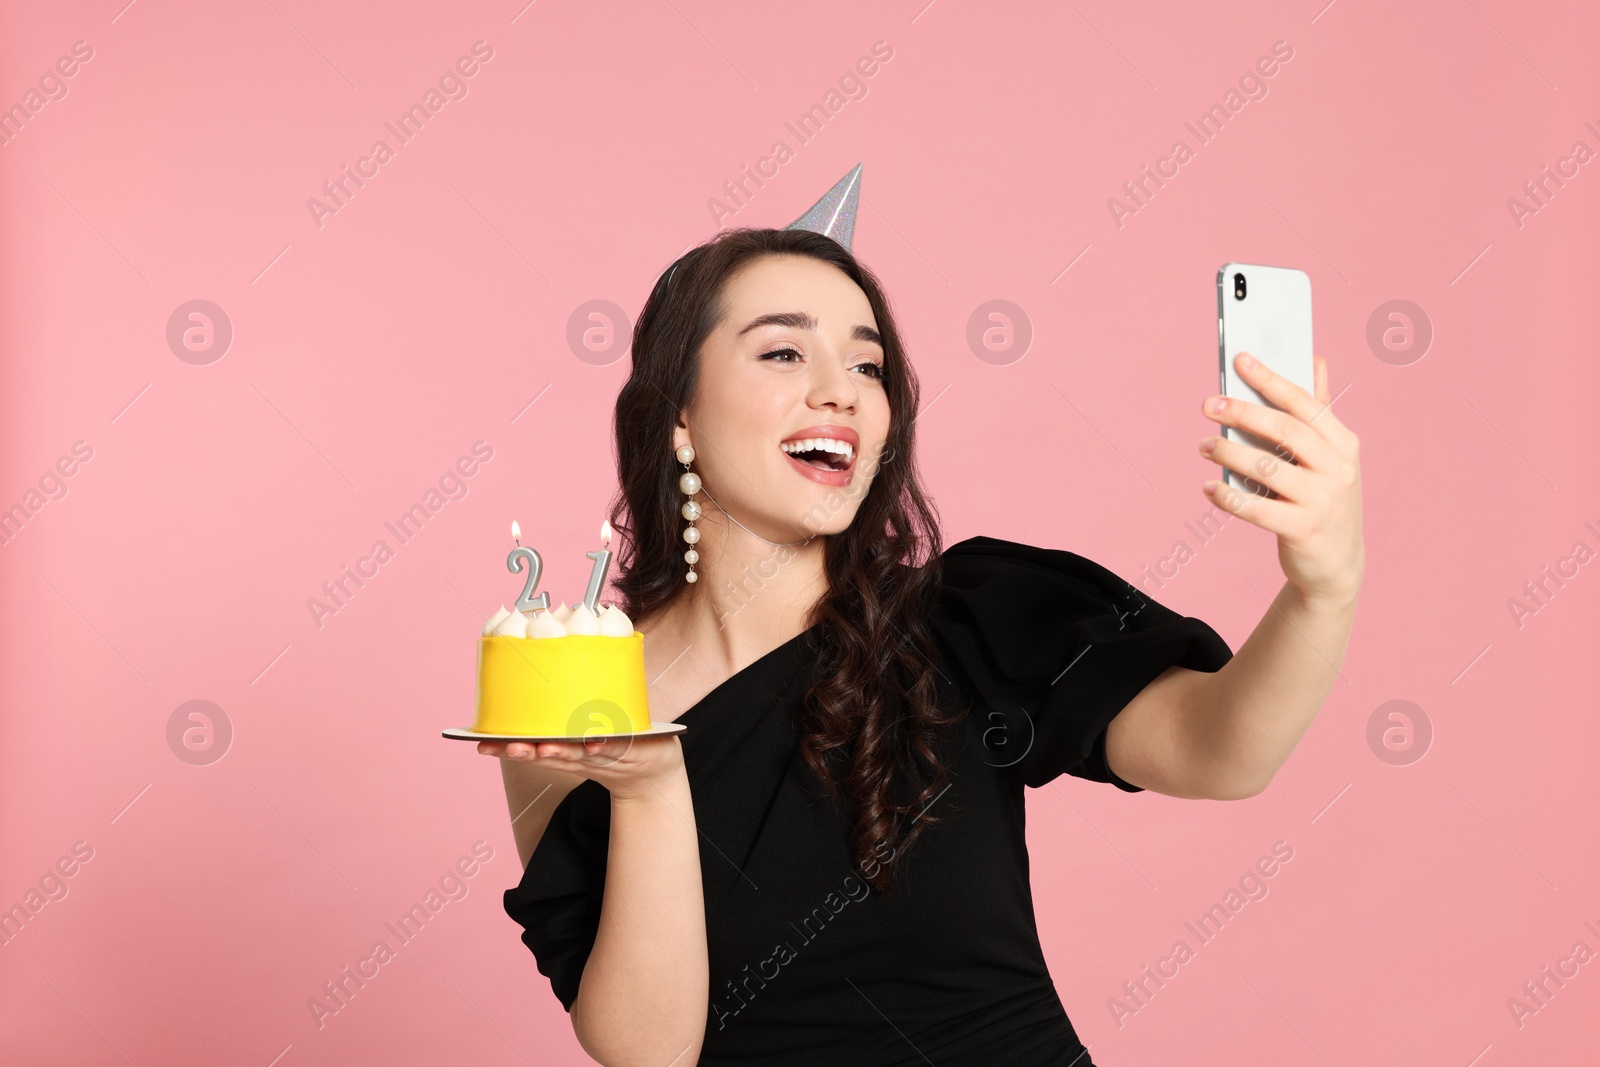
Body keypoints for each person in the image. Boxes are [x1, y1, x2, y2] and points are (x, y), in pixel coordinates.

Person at [476, 226, 1364, 1066]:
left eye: (869, 364)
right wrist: (652, 791)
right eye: (785, 351)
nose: (843, 390)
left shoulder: (967, 617)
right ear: (679, 412)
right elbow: (650, 1049)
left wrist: (1324, 588)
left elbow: (1221, 751)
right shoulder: (571, 688)